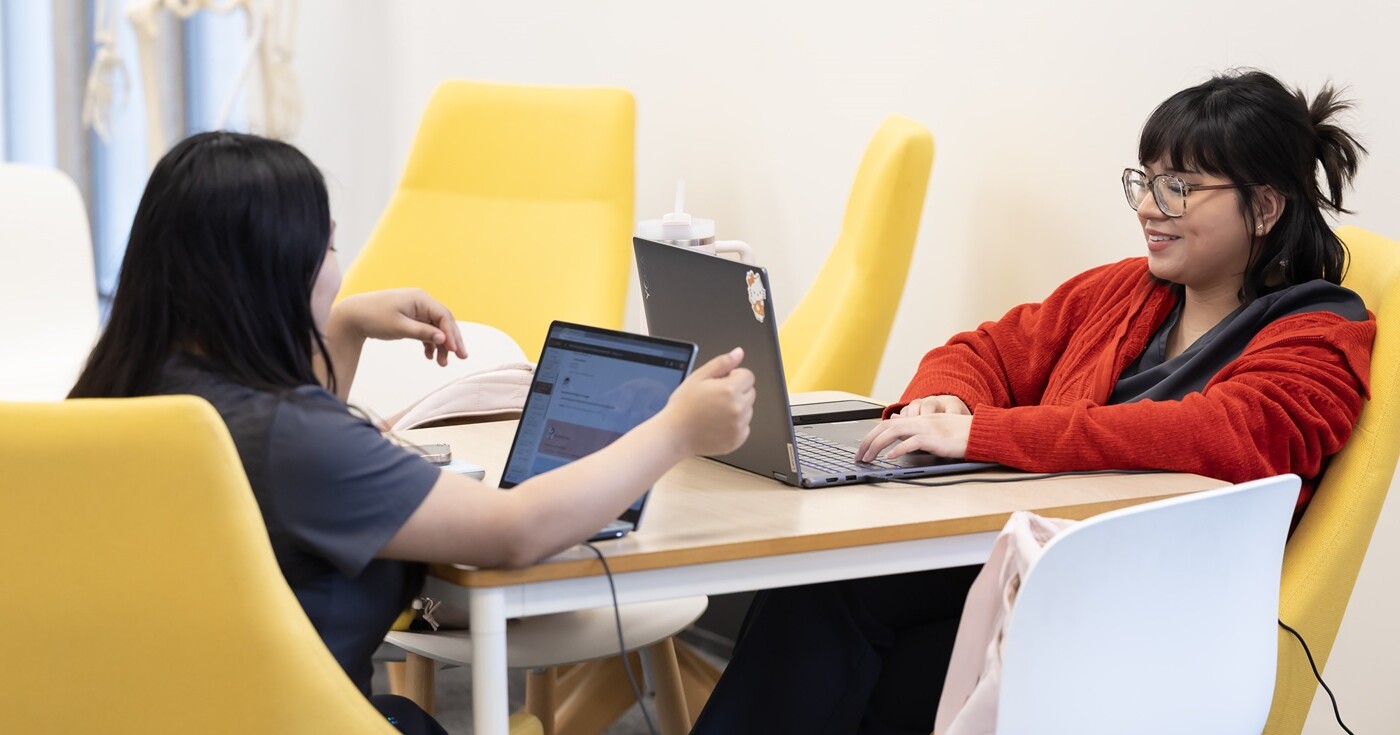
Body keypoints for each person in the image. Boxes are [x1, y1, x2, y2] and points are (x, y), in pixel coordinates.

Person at [691, 69, 1374, 735]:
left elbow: (1221, 438)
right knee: (825, 588)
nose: (1146, 207)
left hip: (1146, 618)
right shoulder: (1123, 291)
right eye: (1145, 181)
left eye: (1178, 188)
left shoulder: (1319, 337)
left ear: (1264, 207)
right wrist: (948, 399)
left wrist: (988, 433)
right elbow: (985, 349)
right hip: (1037, 575)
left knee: (878, 674)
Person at [68, 131, 756, 734]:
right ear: (276, 270)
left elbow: (291, 477)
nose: (336, 266)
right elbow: (514, 528)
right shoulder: (294, 440)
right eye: (328, 245)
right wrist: (674, 429)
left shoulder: (125, 392)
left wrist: (344, 325)